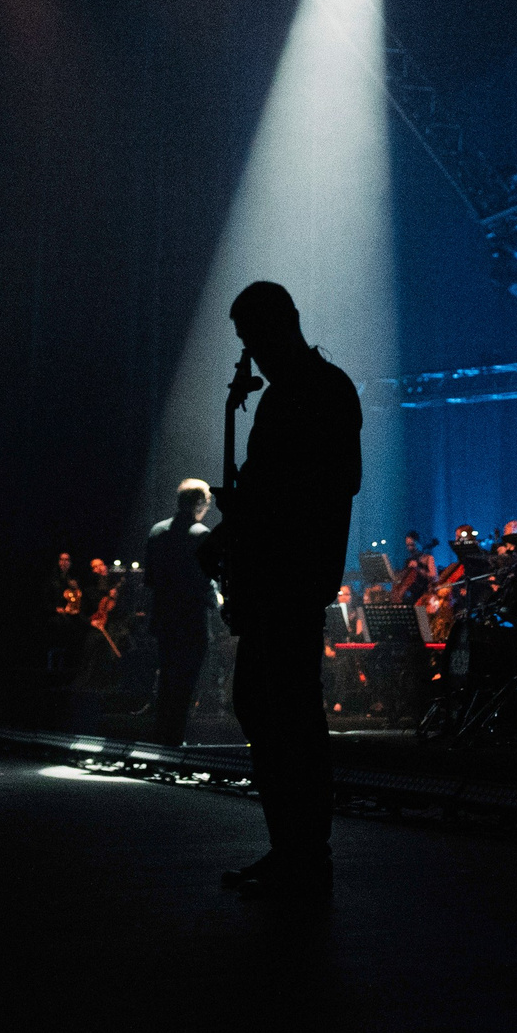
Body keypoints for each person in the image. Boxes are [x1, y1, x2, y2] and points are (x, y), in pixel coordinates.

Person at [205, 281, 362, 898]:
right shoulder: (283, 396)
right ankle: (294, 847)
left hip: (292, 573)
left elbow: (338, 480)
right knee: (268, 705)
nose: (251, 355)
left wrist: (253, 509)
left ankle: (304, 851)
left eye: (254, 339)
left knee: (285, 708)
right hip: (278, 570)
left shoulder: (323, 389)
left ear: (285, 324)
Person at [145, 480, 217, 747]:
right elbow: (205, 579)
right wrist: (217, 602)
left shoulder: (156, 532)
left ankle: (160, 738)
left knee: (166, 677)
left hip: (164, 617)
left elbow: (150, 579)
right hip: (191, 620)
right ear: (199, 503)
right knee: (186, 682)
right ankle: (175, 739)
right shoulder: (201, 534)